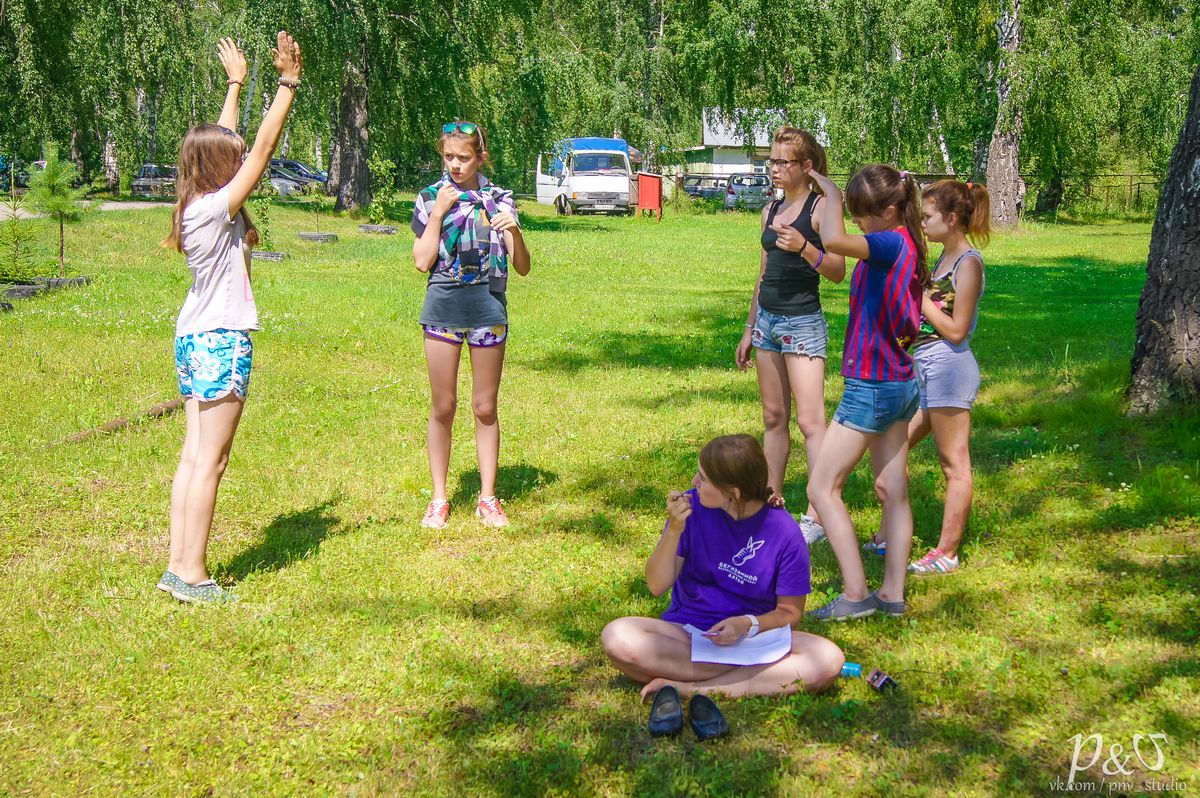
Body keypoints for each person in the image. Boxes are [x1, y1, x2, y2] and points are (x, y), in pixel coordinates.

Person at [158, 33, 303, 603]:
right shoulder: (219, 208)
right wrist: (287, 84)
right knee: (211, 462)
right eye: (231, 160)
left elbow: (230, 143)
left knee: (194, 456)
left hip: (194, 337)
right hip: (221, 339)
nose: (240, 161)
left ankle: (178, 565)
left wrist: (236, 84)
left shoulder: (198, 203)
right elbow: (261, 150)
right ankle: (193, 575)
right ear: (220, 169)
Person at [601, 435, 845, 699]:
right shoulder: (692, 509)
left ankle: (693, 688)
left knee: (828, 659)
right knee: (618, 637)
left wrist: (747, 624)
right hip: (689, 634)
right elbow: (656, 585)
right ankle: (751, 677)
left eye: (703, 478)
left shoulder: (785, 532)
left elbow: (790, 613)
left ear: (734, 493)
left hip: (753, 640)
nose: (694, 482)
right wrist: (673, 530)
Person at [803, 165, 928, 621]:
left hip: (873, 385)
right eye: (851, 211)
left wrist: (832, 194)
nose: (856, 220)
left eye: (861, 213)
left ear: (890, 211)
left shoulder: (890, 242)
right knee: (892, 489)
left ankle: (855, 595)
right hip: (899, 382)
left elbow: (833, 241)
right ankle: (891, 594)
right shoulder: (907, 241)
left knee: (821, 487)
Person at [866, 181, 990, 574]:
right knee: (892, 448)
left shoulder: (968, 263)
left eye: (928, 216)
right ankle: (891, 533)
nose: (922, 222)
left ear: (951, 219)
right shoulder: (941, 259)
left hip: (949, 369)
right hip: (923, 367)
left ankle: (946, 552)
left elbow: (957, 330)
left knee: (954, 463)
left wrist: (919, 298)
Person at [411, 122, 531, 529]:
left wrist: (514, 230)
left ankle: (487, 498)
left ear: (481, 157)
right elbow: (422, 261)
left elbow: (523, 267)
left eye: (463, 157)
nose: (455, 165)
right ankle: (439, 499)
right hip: (443, 307)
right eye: (449, 157)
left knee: (485, 407)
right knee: (443, 405)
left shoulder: (500, 200)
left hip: (487, 309)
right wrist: (438, 213)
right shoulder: (430, 197)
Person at [734, 128, 846, 545]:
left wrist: (804, 247)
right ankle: (771, 503)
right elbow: (763, 274)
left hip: (802, 325)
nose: (775, 168)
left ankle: (818, 514)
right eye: (773, 161)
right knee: (773, 419)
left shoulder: (820, 209)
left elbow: (838, 271)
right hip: (767, 323)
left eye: (783, 162)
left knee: (811, 423)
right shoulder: (770, 210)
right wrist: (749, 328)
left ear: (806, 166)